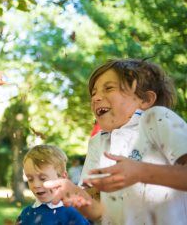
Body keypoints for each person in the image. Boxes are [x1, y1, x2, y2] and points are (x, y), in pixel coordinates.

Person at [43, 59, 187, 224]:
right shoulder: (99, 141)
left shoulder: (157, 118)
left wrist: (141, 172)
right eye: (94, 93)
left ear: (146, 100)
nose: (96, 98)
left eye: (109, 88)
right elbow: (97, 210)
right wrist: (73, 193)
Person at [17, 145, 89, 225]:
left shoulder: (73, 214)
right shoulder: (26, 214)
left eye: (43, 178)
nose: (36, 185)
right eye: (30, 179)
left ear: (62, 178)